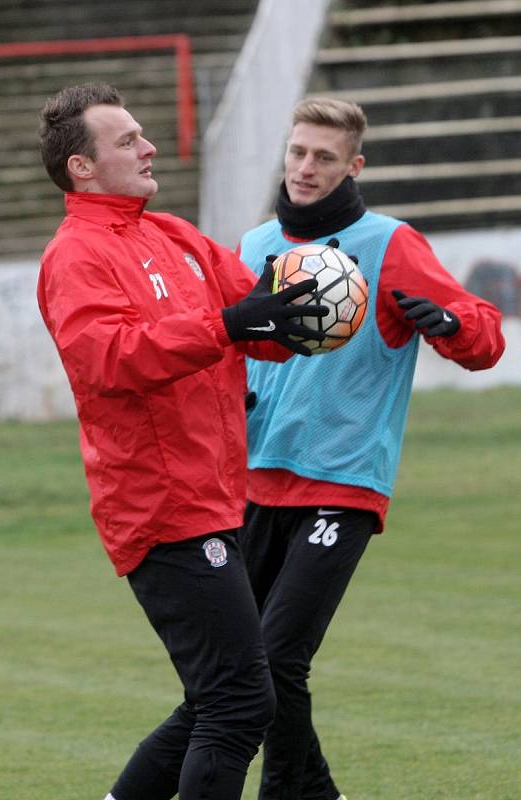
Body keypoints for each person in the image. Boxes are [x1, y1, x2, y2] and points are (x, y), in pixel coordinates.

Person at [36, 83, 329, 800]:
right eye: (128, 139)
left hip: (215, 494)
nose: (149, 147)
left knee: (218, 697)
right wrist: (229, 327)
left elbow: (252, 319)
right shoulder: (75, 256)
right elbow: (109, 358)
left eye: (143, 134)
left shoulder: (172, 235)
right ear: (82, 167)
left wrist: (298, 316)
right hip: (158, 506)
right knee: (237, 702)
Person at [238, 96, 506, 800]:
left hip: (341, 481)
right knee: (247, 669)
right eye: (298, 152)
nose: (305, 167)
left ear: (353, 165)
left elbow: (482, 337)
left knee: (276, 656)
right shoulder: (253, 244)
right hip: (251, 481)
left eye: (323, 157)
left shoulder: (389, 243)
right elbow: (227, 352)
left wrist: (447, 321)